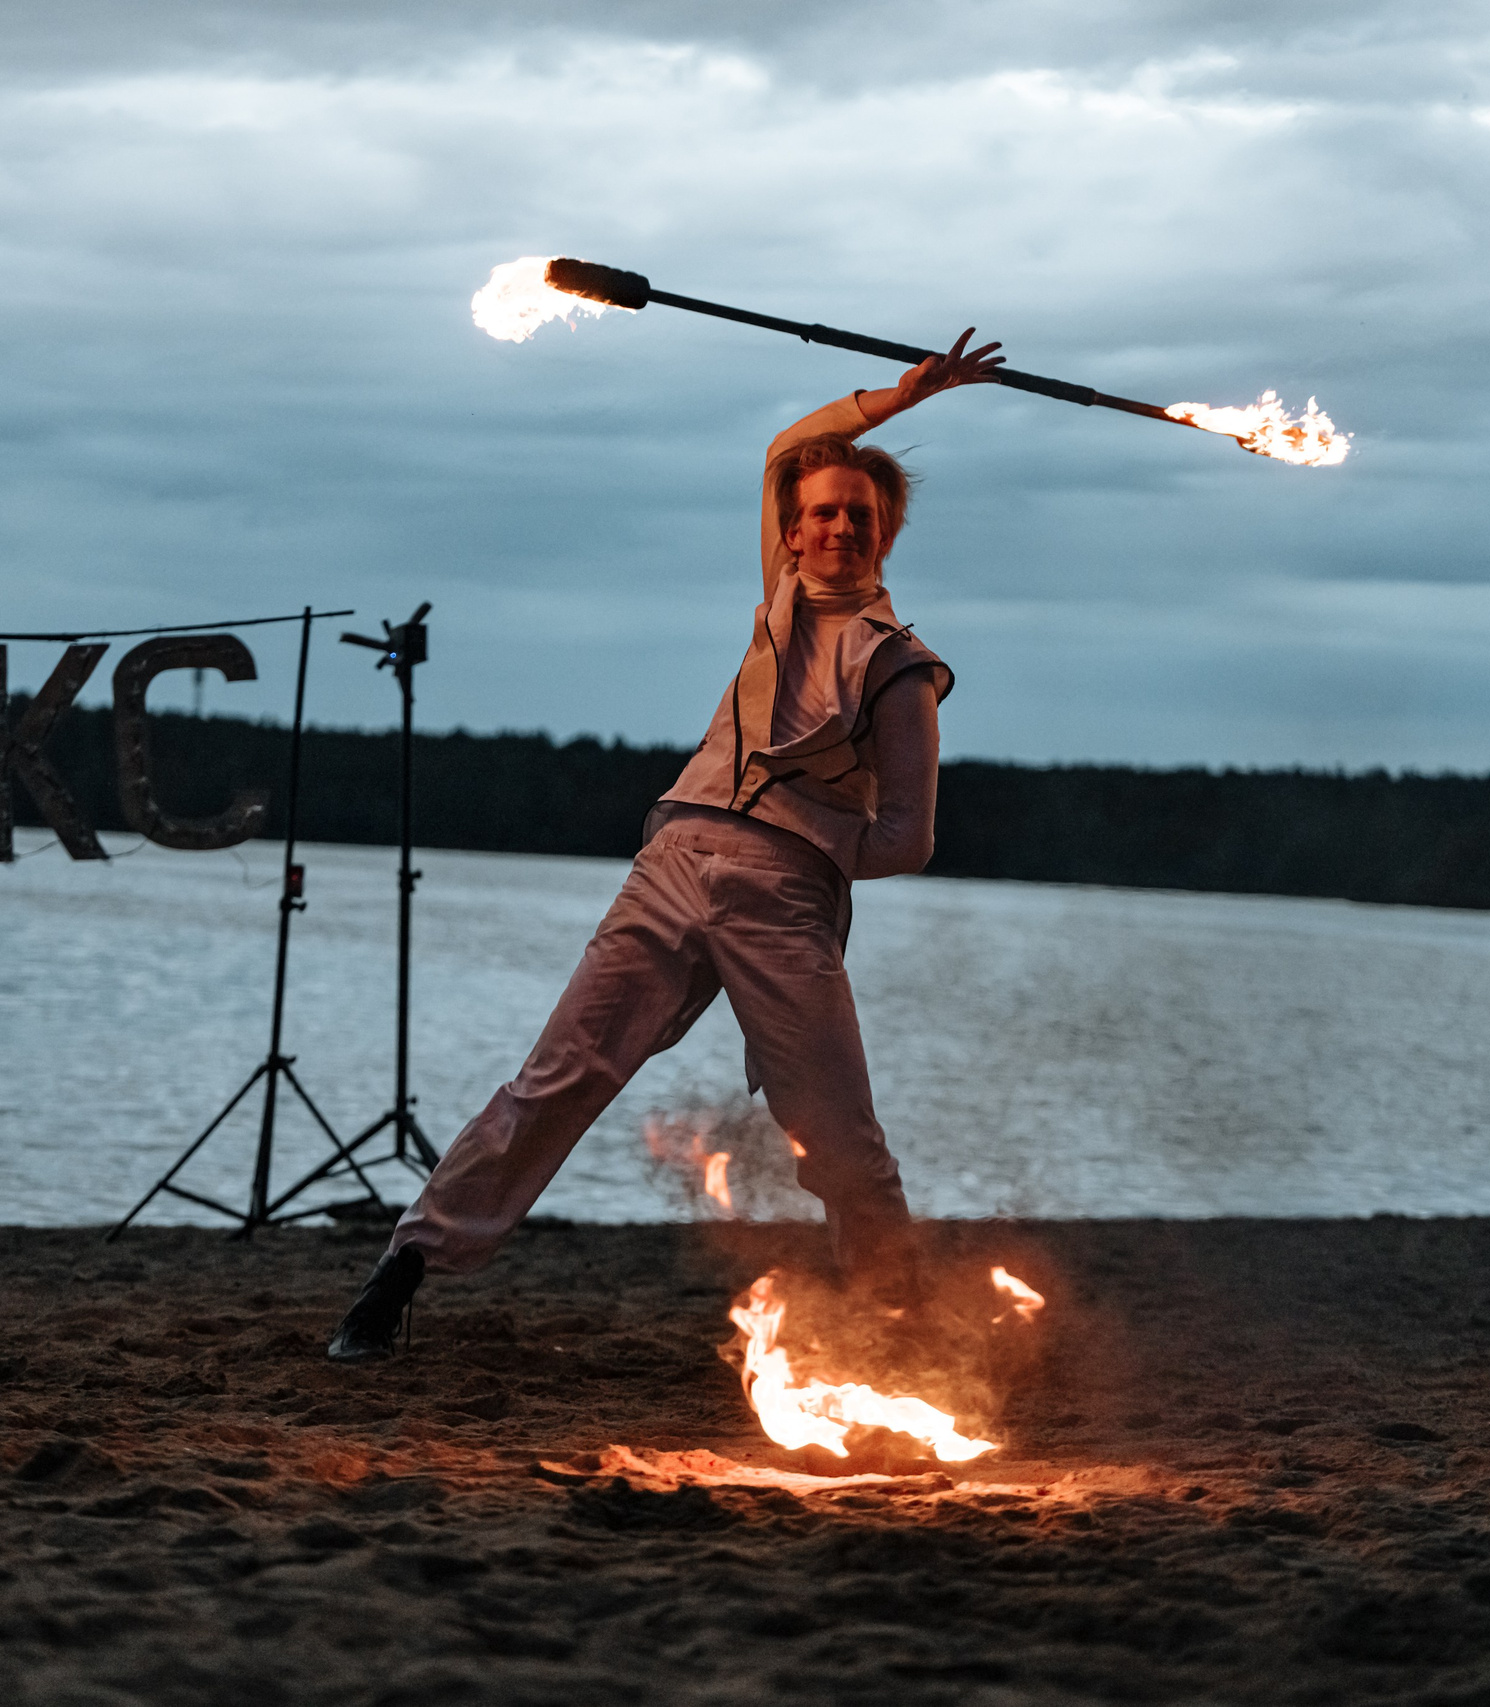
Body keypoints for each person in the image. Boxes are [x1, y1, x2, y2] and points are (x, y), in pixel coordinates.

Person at [327, 330, 1006, 1361]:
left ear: (884, 538)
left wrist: (801, 847)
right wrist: (904, 397)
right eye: (819, 514)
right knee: (557, 1078)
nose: (836, 527)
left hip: (782, 897)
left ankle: (895, 1323)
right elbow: (793, 443)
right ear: (789, 536)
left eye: (857, 517)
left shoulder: (902, 670)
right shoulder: (774, 608)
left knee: (837, 1134)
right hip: (670, 866)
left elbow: (906, 838)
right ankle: (402, 1274)